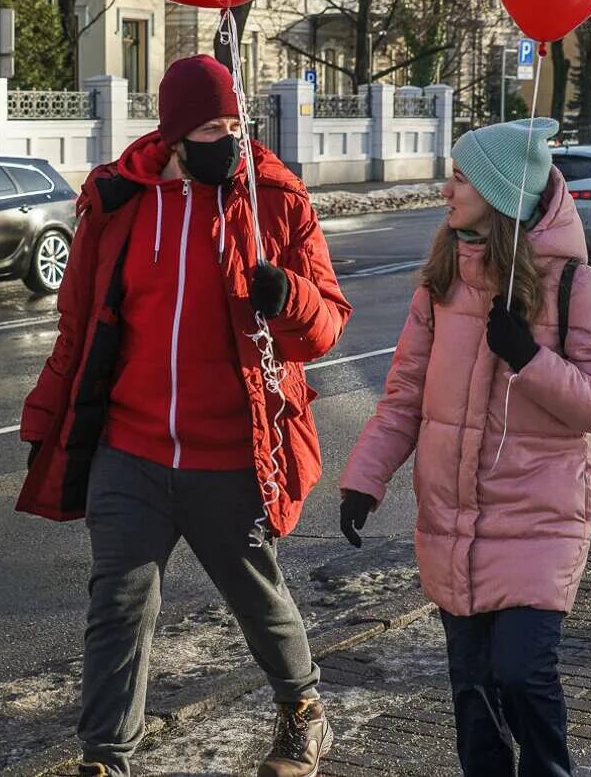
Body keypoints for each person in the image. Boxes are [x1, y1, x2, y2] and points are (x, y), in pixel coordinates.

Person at [18, 55, 353, 777]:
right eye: (209, 127)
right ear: (173, 133)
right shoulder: (117, 203)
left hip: (230, 453)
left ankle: (305, 714)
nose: (225, 140)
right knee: (118, 606)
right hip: (130, 451)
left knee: (256, 598)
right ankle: (105, 758)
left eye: (234, 125)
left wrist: (287, 295)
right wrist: (47, 419)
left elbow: (327, 324)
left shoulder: (273, 201)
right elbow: (76, 330)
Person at [337, 119, 591, 777]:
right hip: (453, 521)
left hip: (540, 515)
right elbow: (404, 396)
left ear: (501, 193)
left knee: (521, 673)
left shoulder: (576, 289)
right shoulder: (440, 286)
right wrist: (365, 479)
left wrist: (527, 355)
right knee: (474, 701)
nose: (446, 190)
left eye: (462, 178)